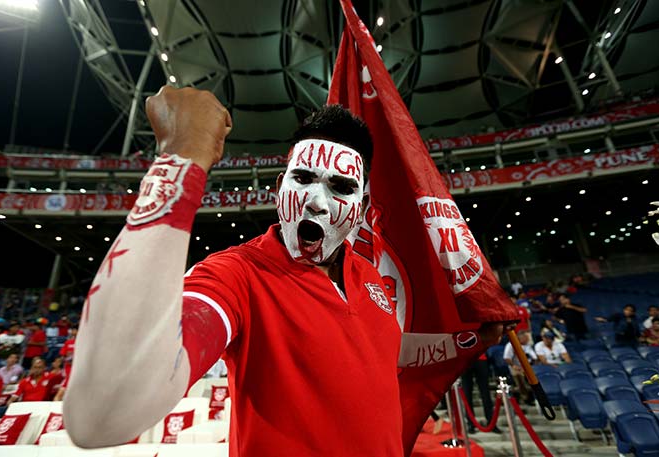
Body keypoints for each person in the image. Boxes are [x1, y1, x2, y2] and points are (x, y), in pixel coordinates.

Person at [63, 86, 505, 454]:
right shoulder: (235, 275)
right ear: (279, 188)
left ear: (363, 208)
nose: (316, 201)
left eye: (341, 187)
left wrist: (467, 340)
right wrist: (179, 162)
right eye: (303, 179)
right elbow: (101, 416)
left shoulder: (370, 276)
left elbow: (384, 353)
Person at [0, 357, 52, 424]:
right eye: (35, 367)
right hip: (23, 406)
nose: (37, 370)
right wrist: (10, 405)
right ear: (31, 368)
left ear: (44, 368)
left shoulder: (51, 377)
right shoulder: (24, 381)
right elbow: (14, 397)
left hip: (40, 406)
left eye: (39, 367)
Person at [462, 353, 501, 434]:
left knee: (482, 393)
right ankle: (473, 423)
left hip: (474, 358)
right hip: (470, 359)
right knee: (470, 394)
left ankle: (487, 422)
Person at [503, 330, 537, 405]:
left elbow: (534, 358)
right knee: (518, 374)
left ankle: (536, 396)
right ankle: (525, 397)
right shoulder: (511, 345)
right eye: (526, 338)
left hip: (527, 367)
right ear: (520, 338)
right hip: (516, 367)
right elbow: (507, 358)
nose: (528, 339)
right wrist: (514, 366)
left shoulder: (528, 346)